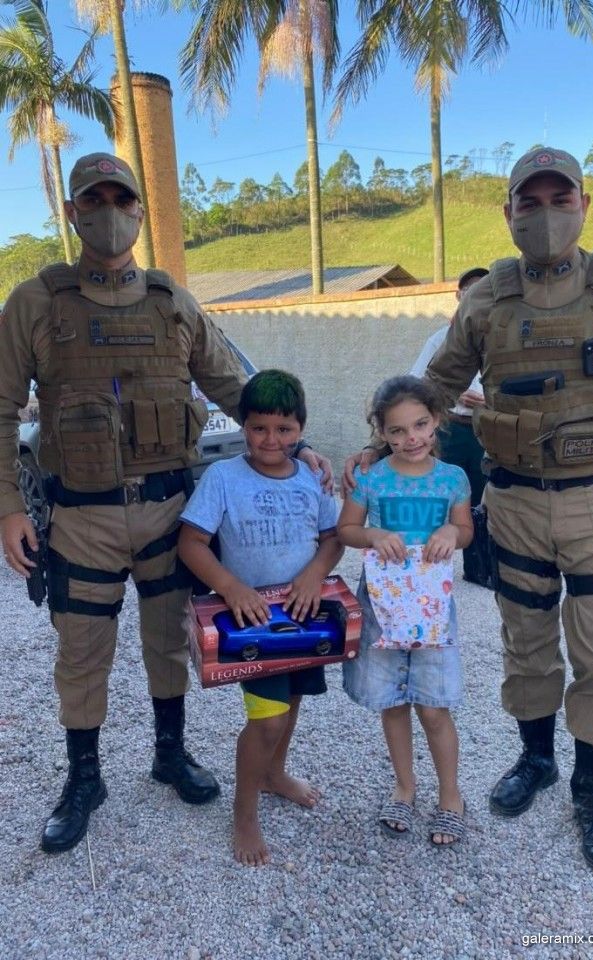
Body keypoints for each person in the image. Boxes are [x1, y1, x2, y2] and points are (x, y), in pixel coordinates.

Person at [345, 147, 593, 872]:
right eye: (530, 202)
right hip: (512, 503)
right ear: (508, 212)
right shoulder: (488, 300)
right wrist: (377, 447)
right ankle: (537, 760)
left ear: (584, 205)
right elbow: (434, 387)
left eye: (559, 199)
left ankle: (592, 794)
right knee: (527, 644)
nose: (546, 214)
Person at [0, 153, 330, 856]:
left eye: (121, 198)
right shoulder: (35, 302)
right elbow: (0, 409)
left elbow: (235, 387)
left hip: (165, 509)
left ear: (140, 211)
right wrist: (8, 507)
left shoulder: (172, 301)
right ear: (72, 212)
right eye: (94, 200)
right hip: (80, 517)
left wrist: (295, 447)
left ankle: (170, 753)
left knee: (167, 641)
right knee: (82, 650)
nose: (109, 212)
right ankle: (83, 778)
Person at [178, 370, 342, 866]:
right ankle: (244, 812)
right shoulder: (223, 477)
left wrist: (314, 574)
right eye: (259, 428)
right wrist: (230, 587)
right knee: (267, 721)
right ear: (242, 426)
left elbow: (333, 538)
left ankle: (274, 774)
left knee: (291, 702)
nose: (271, 440)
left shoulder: (312, 477)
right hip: (253, 624)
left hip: (305, 616)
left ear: (301, 429)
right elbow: (191, 544)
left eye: (284, 429)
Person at [338, 376, 473, 846]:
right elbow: (347, 528)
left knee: (433, 707)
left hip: (432, 608)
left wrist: (452, 533)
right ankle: (404, 788)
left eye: (419, 425)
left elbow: (466, 530)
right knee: (393, 702)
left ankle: (450, 796)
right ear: (381, 432)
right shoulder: (371, 478)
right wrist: (373, 535)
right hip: (382, 605)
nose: (410, 438)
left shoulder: (453, 478)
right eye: (396, 430)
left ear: (436, 420)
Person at [409, 267, 490, 585]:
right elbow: (417, 383)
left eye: (483, 289)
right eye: (469, 290)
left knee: (482, 500)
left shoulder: (502, 338)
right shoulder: (440, 339)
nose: (476, 296)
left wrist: (489, 401)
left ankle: (479, 568)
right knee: (437, 497)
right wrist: (454, 395)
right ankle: (426, 566)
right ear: (459, 296)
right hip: (450, 428)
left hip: (486, 430)